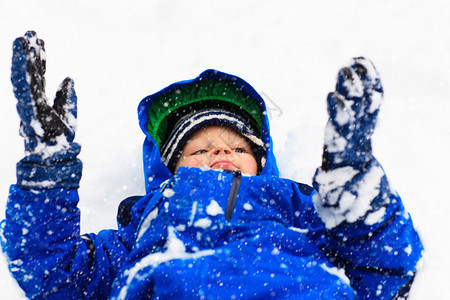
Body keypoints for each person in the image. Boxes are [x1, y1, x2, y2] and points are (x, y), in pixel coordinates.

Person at [0, 31, 423, 299]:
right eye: (199, 151)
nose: (220, 154)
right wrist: (47, 173)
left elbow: (385, 267)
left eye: (238, 149)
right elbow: (53, 272)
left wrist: (353, 189)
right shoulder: (143, 230)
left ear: (261, 163)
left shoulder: (301, 212)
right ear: (171, 169)